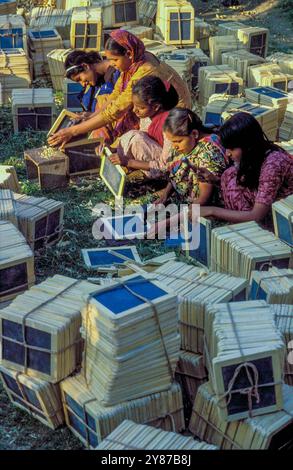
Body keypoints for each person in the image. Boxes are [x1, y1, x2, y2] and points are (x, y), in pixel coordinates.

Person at [48, 30, 191, 147]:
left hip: (173, 112)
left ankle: (111, 145)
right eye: (109, 59)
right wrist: (92, 115)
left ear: (129, 53)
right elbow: (116, 94)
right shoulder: (134, 61)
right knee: (104, 101)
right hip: (152, 103)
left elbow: (117, 109)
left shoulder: (145, 69)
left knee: (125, 128)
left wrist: (72, 131)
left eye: (114, 60)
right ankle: (102, 141)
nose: (112, 64)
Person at [199, 112, 293, 225]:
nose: (228, 153)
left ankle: (251, 230)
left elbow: (257, 215)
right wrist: (215, 180)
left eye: (232, 148)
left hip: (281, 215)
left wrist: (212, 210)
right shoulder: (256, 156)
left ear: (248, 146)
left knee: (232, 180)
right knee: (229, 175)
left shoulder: (273, 164)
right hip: (266, 204)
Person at [108, 75, 179, 178]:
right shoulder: (147, 117)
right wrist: (111, 150)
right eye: (134, 105)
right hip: (152, 160)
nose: (134, 110)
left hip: (165, 168)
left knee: (136, 138)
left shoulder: (169, 124)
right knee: (132, 135)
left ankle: (148, 175)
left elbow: (167, 164)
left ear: (156, 107)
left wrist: (129, 162)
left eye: (140, 107)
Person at [157, 108, 228, 206]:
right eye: (172, 141)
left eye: (178, 141)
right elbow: (176, 172)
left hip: (201, 207)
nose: (175, 146)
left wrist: (182, 216)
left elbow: (204, 199)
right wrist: (165, 194)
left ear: (194, 133)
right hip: (181, 198)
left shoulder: (208, 153)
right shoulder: (186, 144)